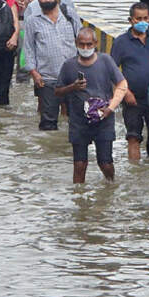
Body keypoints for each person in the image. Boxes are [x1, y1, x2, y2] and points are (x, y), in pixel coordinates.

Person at [55, 28, 128, 183]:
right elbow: (58, 91)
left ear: (95, 44)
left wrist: (110, 108)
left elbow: (122, 84)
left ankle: (110, 185)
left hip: (104, 120)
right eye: (82, 44)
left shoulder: (106, 61)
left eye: (89, 44)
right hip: (78, 122)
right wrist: (72, 87)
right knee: (79, 165)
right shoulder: (69, 65)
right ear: (76, 44)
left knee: (105, 163)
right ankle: (79, 200)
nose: (86, 48)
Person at [110, 2, 149, 161]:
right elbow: (112, 71)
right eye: (138, 19)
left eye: (145, 18)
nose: (142, 22)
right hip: (132, 99)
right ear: (130, 20)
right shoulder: (121, 42)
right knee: (133, 137)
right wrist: (125, 93)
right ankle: (134, 171)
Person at [22, 0, 79, 131]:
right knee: (48, 121)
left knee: (75, 118)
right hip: (46, 78)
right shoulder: (32, 21)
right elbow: (28, 48)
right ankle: (48, 152)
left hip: (72, 78)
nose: (47, 0)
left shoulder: (69, 15)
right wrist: (34, 73)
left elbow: (82, 41)